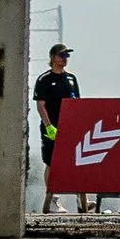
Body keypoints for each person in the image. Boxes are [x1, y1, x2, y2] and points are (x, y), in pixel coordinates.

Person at [34, 43, 85, 213]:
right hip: (51, 127)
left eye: (67, 56)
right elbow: (41, 105)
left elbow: (77, 103)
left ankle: (81, 199)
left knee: (75, 161)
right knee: (51, 163)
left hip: (69, 127)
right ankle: (53, 200)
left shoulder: (71, 79)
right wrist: (49, 126)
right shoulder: (44, 79)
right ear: (53, 57)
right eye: (62, 55)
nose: (65, 59)